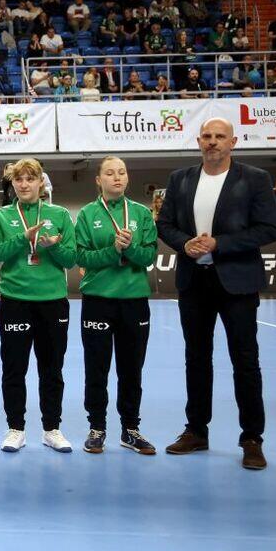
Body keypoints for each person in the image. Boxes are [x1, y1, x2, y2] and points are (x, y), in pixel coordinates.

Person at [156, 117, 276, 470]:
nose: (212, 141)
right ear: (199, 141)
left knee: (245, 360)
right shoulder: (180, 179)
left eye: (220, 136)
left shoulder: (255, 178)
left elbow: (269, 229)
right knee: (196, 359)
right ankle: (196, 430)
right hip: (194, 282)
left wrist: (219, 244)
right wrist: (185, 243)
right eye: (207, 136)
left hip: (237, 283)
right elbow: (165, 224)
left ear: (232, 142)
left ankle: (252, 438)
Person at [0, 158, 77, 454]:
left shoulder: (59, 214)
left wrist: (54, 246)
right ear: (12, 184)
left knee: (52, 369)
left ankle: (52, 429)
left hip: (52, 302)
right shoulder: (1, 216)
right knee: (14, 368)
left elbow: (71, 259)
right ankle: (16, 429)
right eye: (19, 179)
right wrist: (24, 239)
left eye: (30, 179)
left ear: (40, 183)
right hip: (15, 301)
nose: (24, 184)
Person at [74, 157, 159, 456]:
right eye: (109, 173)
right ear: (99, 180)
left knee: (131, 368)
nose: (117, 177)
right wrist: (113, 250)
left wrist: (130, 248)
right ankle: (97, 427)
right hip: (98, 300)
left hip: (134, 301)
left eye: (121, 172)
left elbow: (149, 256)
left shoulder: (140, 213)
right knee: (96, 368)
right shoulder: (87, 214)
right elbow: (81, 257)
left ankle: (130, 429)